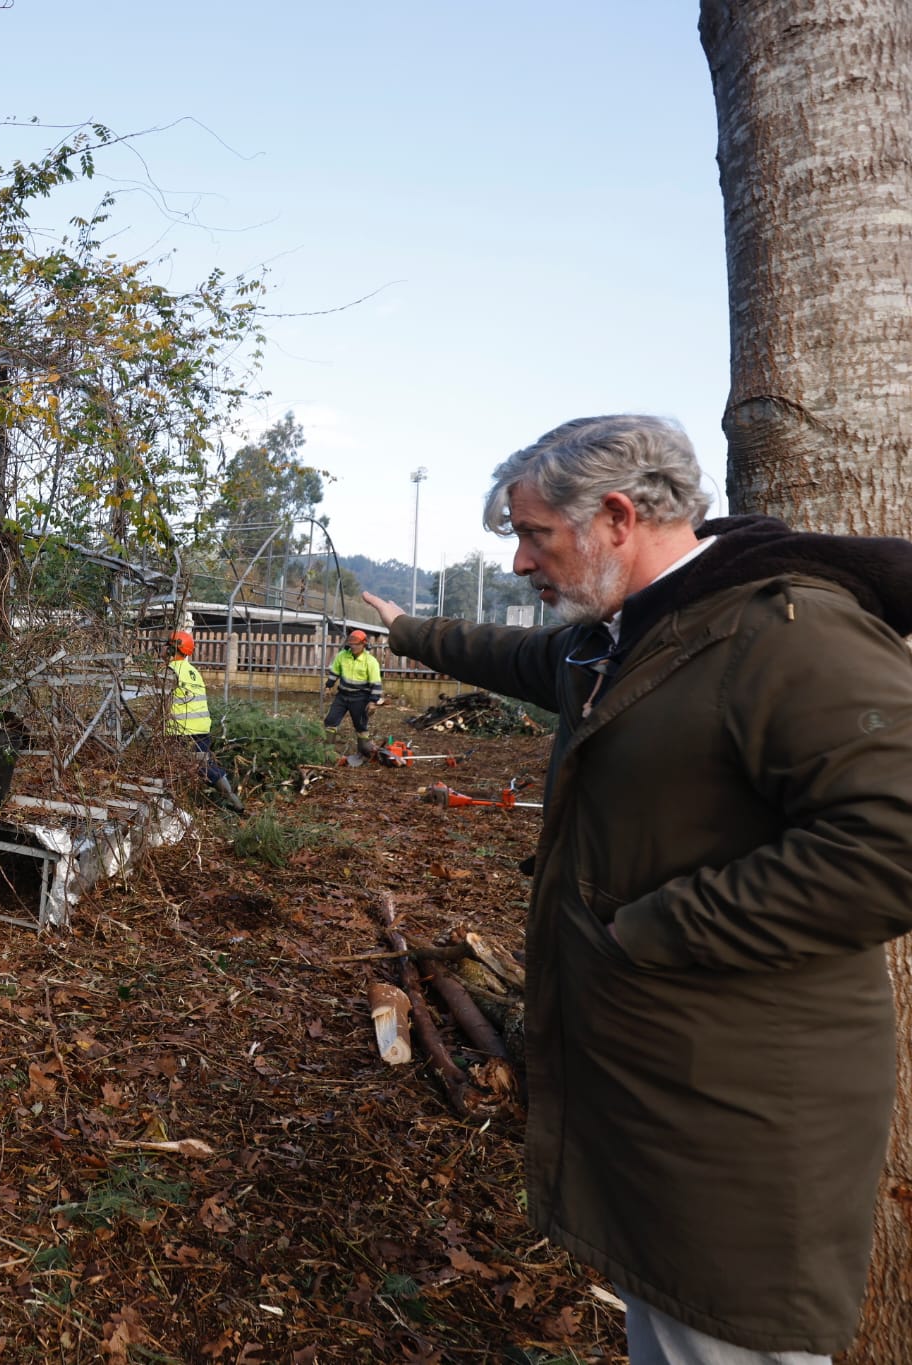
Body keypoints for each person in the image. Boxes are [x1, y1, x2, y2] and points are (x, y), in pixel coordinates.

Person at [360, 414, 912, 1363]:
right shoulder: (621, 638)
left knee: (730, 1334)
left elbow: (895, 840)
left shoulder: (785, 633)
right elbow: (515, 657)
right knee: (667, 1317)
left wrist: (654, 929)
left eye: (535, 534)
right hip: (662, 1078)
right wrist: (408, 630)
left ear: (616, 515)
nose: (523, 562)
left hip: (742, 1106)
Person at [164, 630, 242, 810]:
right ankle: (231, 798)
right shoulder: (193, 671)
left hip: (181, 730)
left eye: (166, 646)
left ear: (171, 650)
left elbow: (163, 703)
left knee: (177, 766)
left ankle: (230, 800)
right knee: (203, 764)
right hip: (200, 728)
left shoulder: (170, 672)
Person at [321, 629, 384, 748]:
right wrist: (328, 686)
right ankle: (327, 751)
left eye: (356, 644)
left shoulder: (370, 661)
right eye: (351, 644)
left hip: (360, 698)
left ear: (363, 644)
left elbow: (376, 683)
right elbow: (334, 673)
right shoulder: (342, 656)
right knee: (330, 721)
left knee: (360, 726)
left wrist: (372, 701)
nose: (353, 647)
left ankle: (363, 751)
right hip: (342, 696)